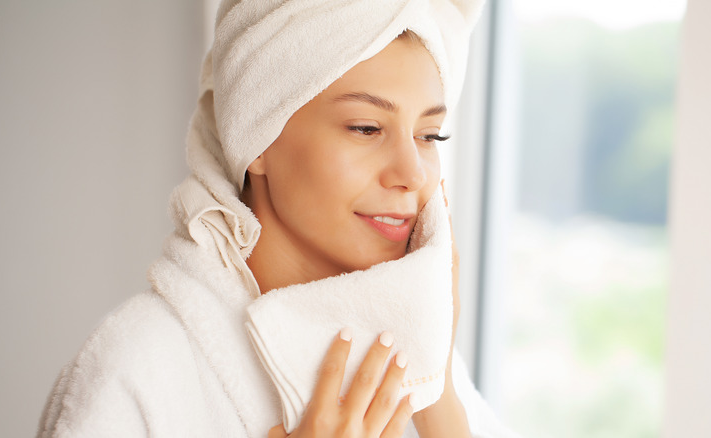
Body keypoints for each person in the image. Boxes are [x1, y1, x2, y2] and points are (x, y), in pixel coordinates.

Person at [38, 1, 519, 437]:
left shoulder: (417, 359)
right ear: (258, 137)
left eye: (430, 136)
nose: (413, 174)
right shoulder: (137, 370)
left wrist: (438, 394)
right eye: (366, 128)